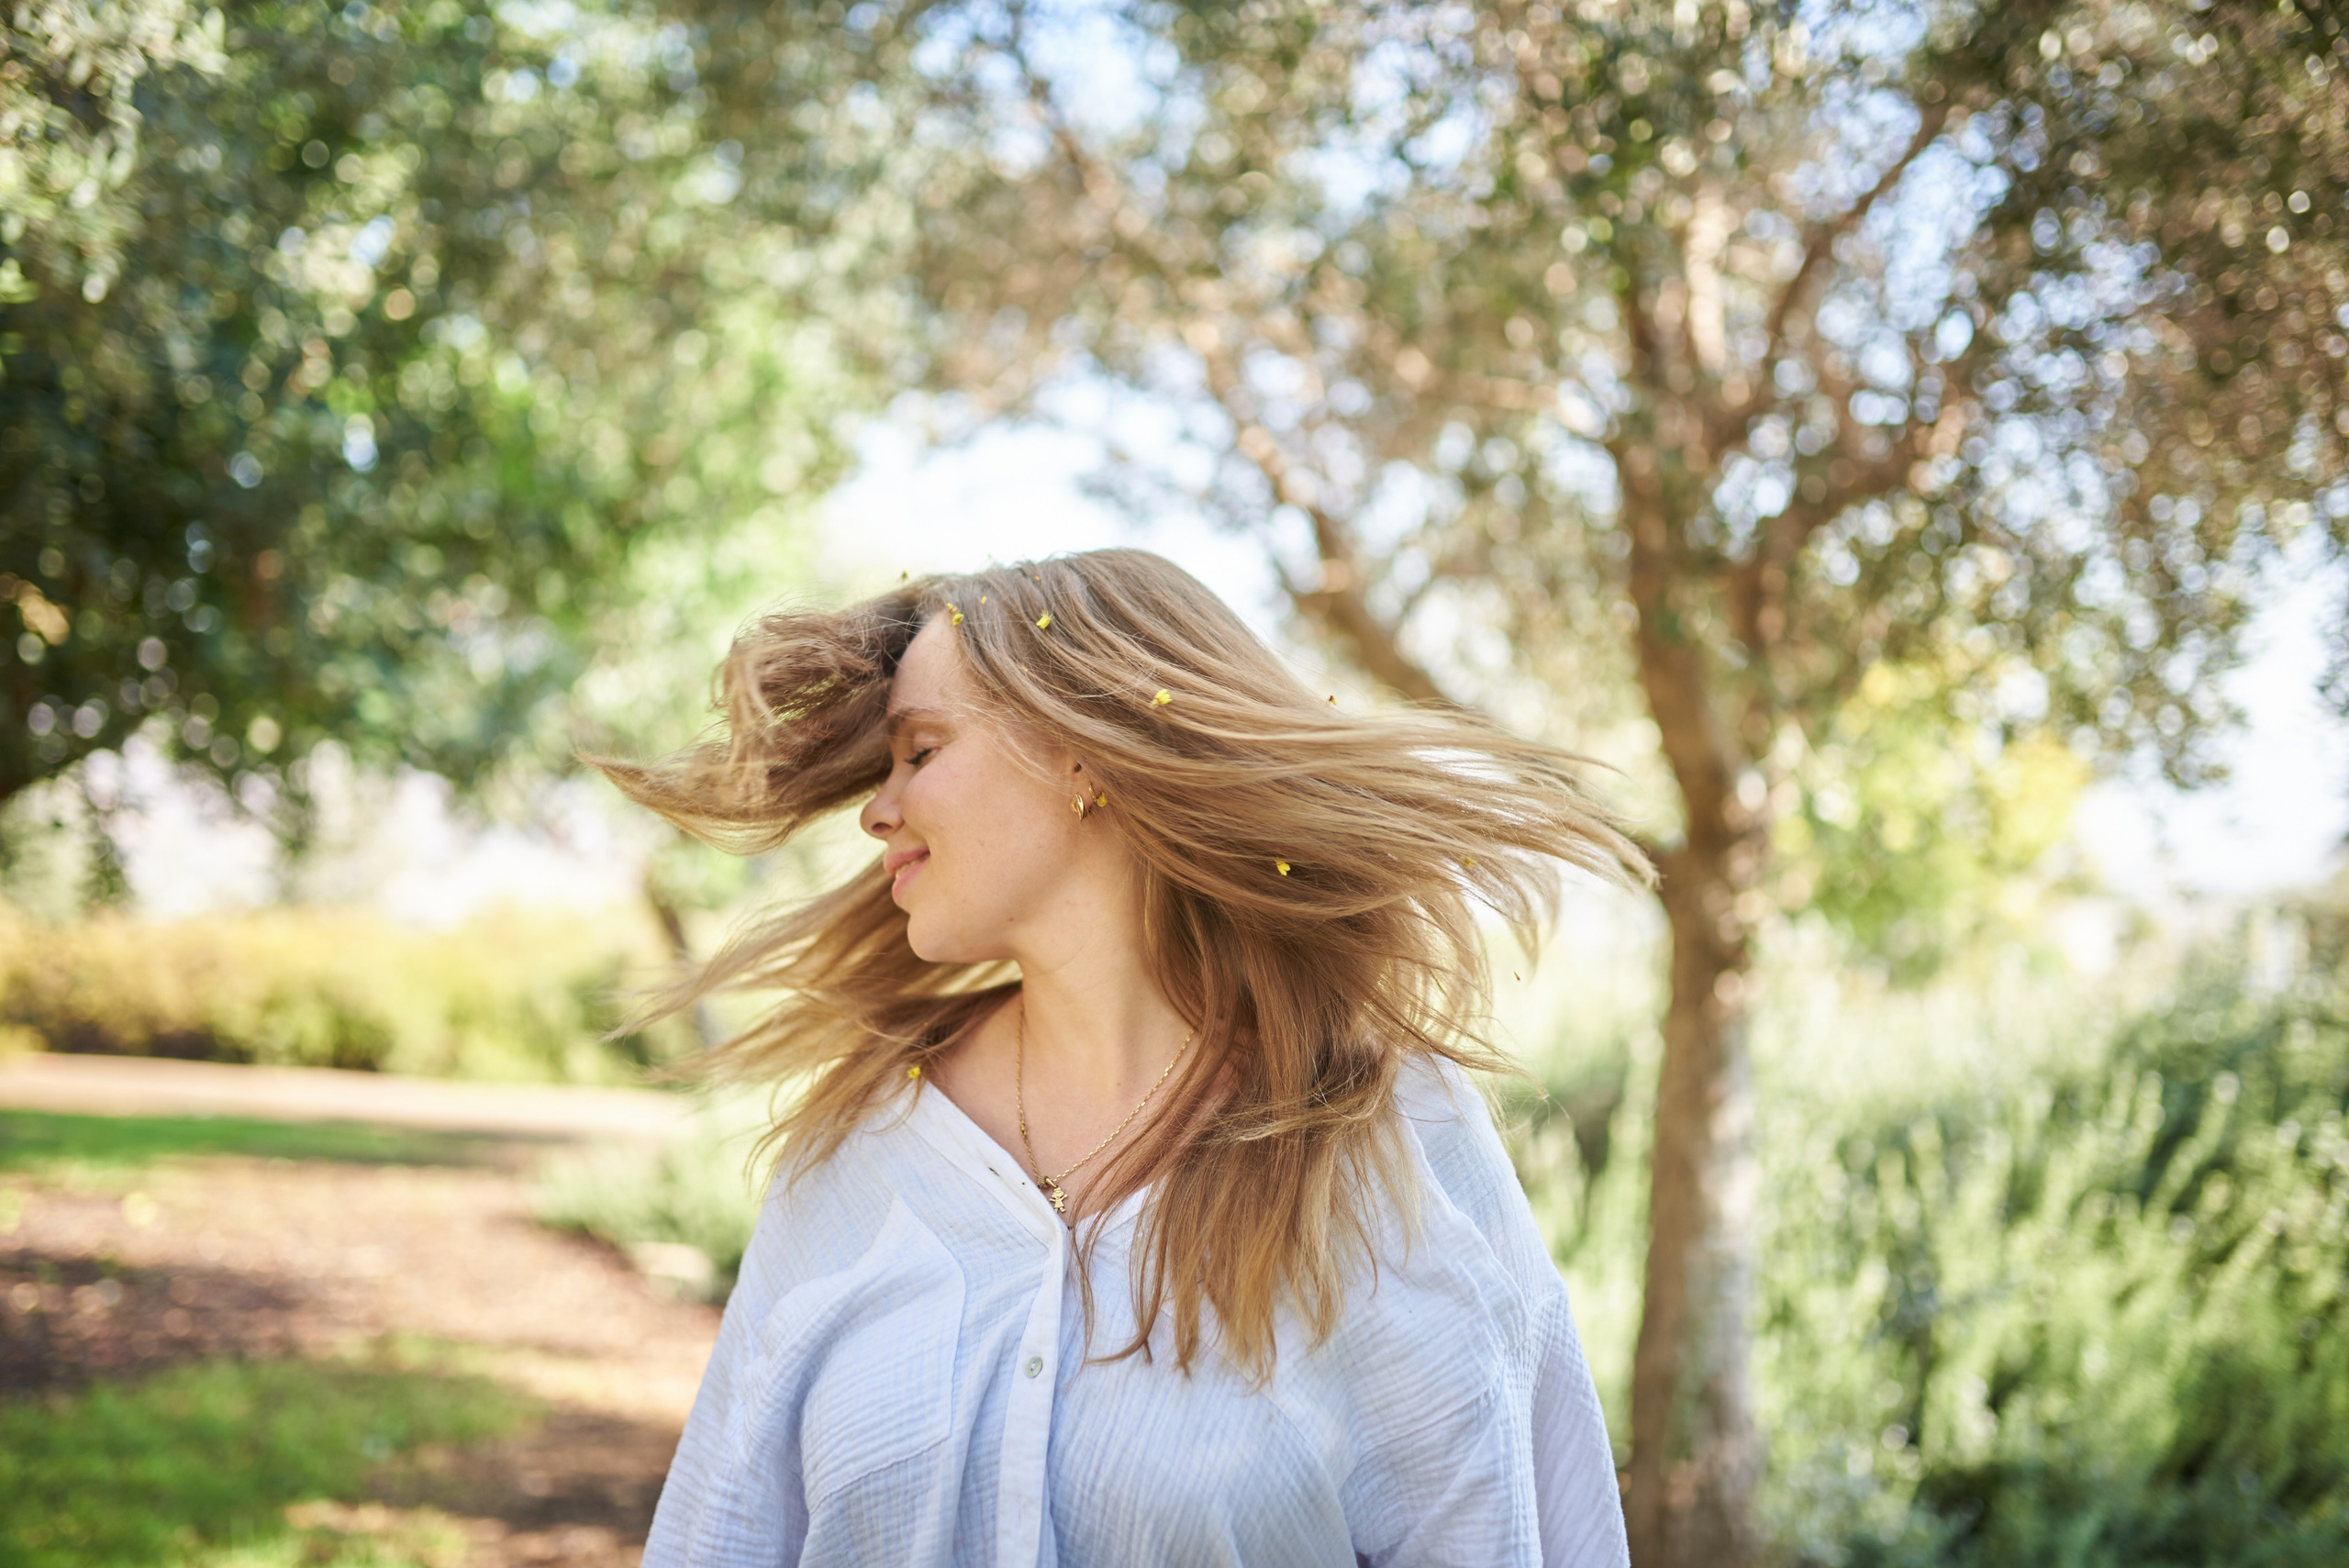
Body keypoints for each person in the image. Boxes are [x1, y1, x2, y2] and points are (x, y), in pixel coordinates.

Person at [591, 548, 1648, 1567]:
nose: (879, 807)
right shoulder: (851, 1158)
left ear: (1081, 754)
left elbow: (1511, 1528)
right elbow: (719, 1534)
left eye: (919, 751)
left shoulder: (1385, 1135)